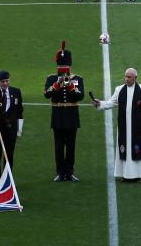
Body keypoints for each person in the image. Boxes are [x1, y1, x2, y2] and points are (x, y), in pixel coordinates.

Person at [92, 68, 141, 182]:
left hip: (137, 127)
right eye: (125, 77)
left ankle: (137, 175)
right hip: (124, 126)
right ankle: (125, 174)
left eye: (129, 77)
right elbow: (111, 102)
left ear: (135, 77)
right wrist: (99, 103)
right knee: (124, 149)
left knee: (136, 149)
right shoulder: (119, 89)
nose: (126, 79)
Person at [44, 41, 85, 182]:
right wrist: (57, 84)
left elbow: (80, 96)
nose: (63, 68)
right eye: (60, 66)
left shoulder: (77, 79)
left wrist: (70, 86)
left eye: (65, 66)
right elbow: (47, 94)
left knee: (71, 145)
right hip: (58, 115)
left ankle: (70, 171)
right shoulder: (51, 79)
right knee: (59, 146)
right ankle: (60, 172)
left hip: (72, 115)